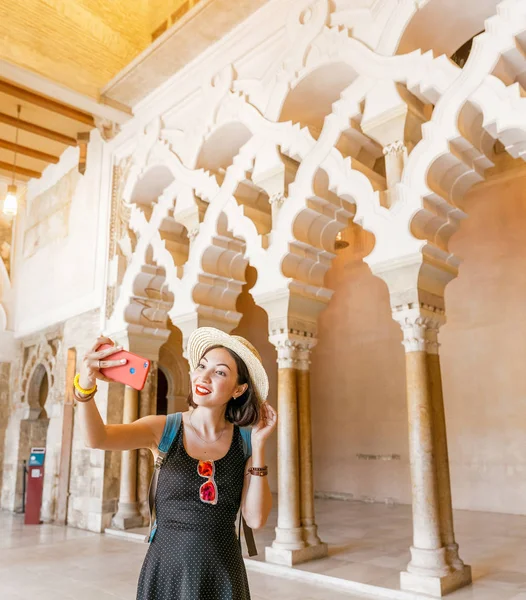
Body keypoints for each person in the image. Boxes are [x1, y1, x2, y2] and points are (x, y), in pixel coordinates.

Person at [74, 327, 277, 600]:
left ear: (239, 388)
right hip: (166, 570)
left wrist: (260, 445)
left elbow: (255, 518)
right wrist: (85, 387)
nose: (204, 376)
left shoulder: (245, 442)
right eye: (202, 366)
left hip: (221, 573)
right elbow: (97, 438)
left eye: (220, 372)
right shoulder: (164, 428)